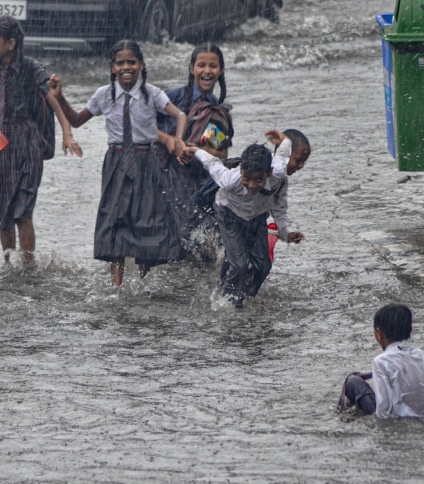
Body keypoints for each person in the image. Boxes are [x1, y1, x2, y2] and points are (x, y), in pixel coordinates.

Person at [49, 39, 188, 286]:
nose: (126, 67)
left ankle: (144, 282)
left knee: (147, 218)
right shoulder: (104, 94)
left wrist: (178, 139)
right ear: (112, 67)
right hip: (115, 160)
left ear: (141, 65)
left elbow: (180, 115)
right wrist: (60, 98)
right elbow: (77, 119)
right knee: (115, 219)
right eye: (120, 63)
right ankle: (117, 284)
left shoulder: (151, 93)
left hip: (146, 160)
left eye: (132, 62)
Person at [0, 15, 80, 267]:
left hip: (26, 142)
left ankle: (28, 266)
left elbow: (52, 101)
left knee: (22, 210)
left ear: (11, 43)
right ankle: (8, 265)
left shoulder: (31, 68)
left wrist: (67, 132)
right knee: (4, 212)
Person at [183, 142, 304, 307]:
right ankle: (227, 302)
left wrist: (287, 232)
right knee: (239, 264)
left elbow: (280, 210)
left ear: (268, 173)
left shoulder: (279, 177)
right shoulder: (230, 179)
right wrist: (194, 150)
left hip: (257, 218)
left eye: (259, 180)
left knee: (263, 266)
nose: (252, 186)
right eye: (246, 178)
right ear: (241, 171)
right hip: (228, 215)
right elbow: (212, 162)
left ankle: (246, 296)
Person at [157, 43, 231, 261]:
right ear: (191, 69)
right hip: (166, 170)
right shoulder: (174, 97)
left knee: (193, 230)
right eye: (201, 65)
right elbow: (139, 120)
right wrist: (169, 140)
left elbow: (217, 150)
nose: (207, 71)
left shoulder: (218, 109)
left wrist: (201, 151)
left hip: (196, 176)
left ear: (221, 71)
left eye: (213, 66)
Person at [339, 304, 424, 419]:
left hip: (399, 421)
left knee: (353, 381)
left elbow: (384, 409)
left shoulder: (381, 362)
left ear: (379, 333)